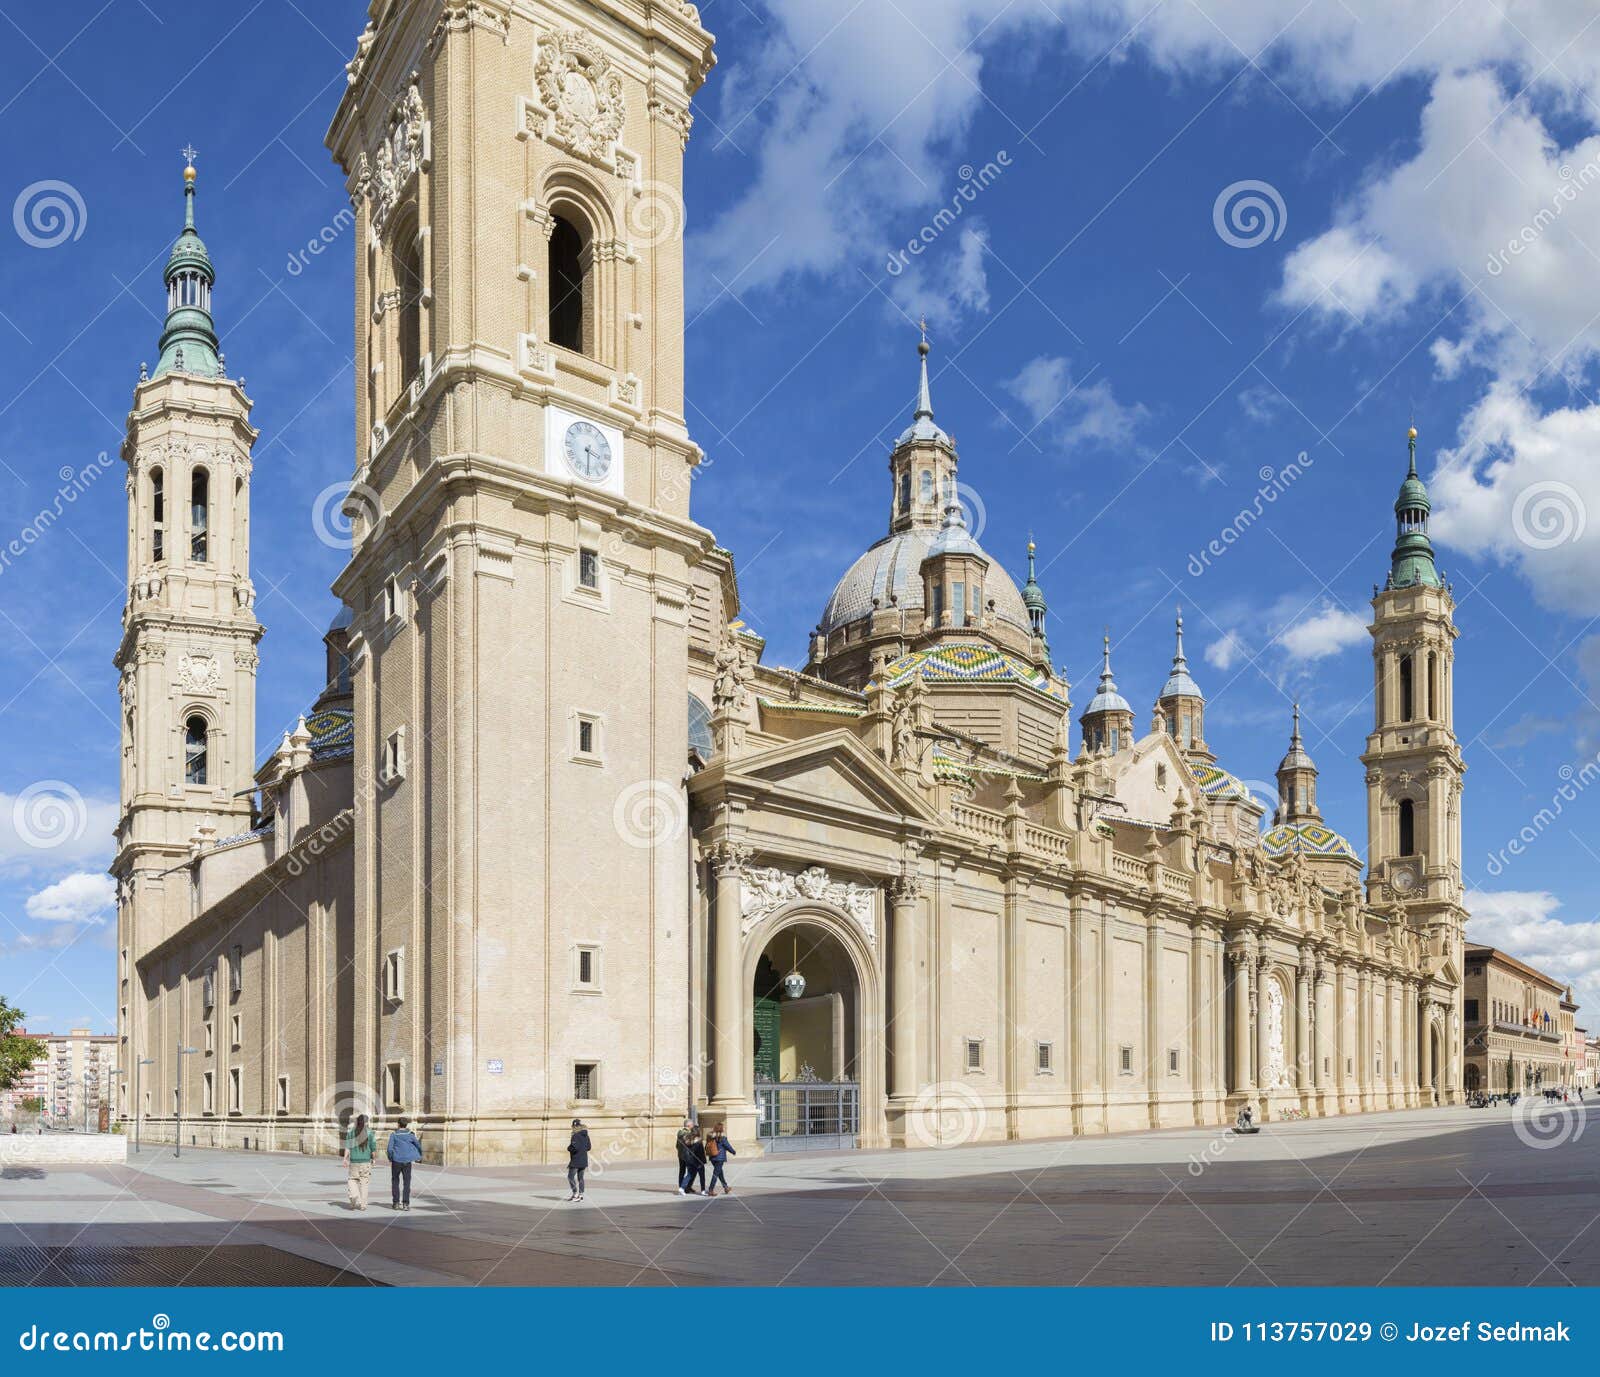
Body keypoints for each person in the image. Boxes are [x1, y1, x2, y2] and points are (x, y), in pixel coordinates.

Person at [386, 1116, 422, 1211]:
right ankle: (406, 1204)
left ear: (398, 1124)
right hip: (407, 1161)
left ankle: (396, 1203)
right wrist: (418, 1154)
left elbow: (389, 1149)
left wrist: (391, 1157)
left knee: (395, 1181)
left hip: (396, 1161)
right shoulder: (410, 1134)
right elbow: (418, 1145)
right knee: (407, 1183)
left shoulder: (394, 1135)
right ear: (406, 1125)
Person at [342, 1113, 375, 1210]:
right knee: (364, 1182)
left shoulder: (351, 1133)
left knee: (352, 1180)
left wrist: (345, 1158)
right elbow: (373, 1149)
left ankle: (354, 1195)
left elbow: (348, 1147)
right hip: (365, 1161)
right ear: (366, 1123)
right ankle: (363, 1204)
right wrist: (373, 1159)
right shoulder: (370, 1133)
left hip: (354, 1161)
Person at [705, 1121, 736, 1197]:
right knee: (716, 1174)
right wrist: (733, 1152)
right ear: (721, 1129)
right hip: (719, 1158)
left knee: (719, 1173)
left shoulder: (710, 1137)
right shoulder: (722, 1138)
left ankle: (726, 1187)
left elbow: (706, 1145)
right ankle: (710, 1190)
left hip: (712, 1157)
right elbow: (727, 1146)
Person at [567, 1118, 591, 1202]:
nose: (573, 1128)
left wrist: (569, 1148)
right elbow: (588, 1147)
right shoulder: (586, 1135)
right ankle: (581, 1195)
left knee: (570, 1177)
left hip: (576, 1160)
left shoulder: (575, 1136)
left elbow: (574, 1148)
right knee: (580, 1178)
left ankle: (575, 1194)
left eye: (574, 1126)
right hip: (584, 1160)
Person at [679, 1126, 707, 1195]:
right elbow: (701, 1152)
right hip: (698, 1161)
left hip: (691, 1161)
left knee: (689, 1174)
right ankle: (703, 1190)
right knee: (702, 1176)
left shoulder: (688, 1140)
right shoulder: (699, 1142)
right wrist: (703, 1161)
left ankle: (682, 1188)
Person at [675, 1117, 695, 1193]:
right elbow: (691, 1144)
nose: (693, 1126)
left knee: (682, 1171)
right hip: (687, 1155)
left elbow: (677, 1145)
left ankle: (682, 1186)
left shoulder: (680, 1133)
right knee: (691, 1171)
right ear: (689, 1125)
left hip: (680, 1155)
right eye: (692, 1124)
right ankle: (685, 1187)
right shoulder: (688, 1133)